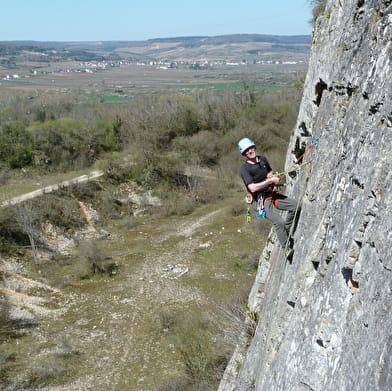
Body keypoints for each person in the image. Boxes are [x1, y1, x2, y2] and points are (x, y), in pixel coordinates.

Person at [238, 137, 298, 254]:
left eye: (251, 148)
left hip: (271, 194)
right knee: (278, 222)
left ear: (254, 147)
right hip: (260, 200)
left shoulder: (263, 160)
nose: (250, 151)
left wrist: (275, 177)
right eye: (247, 151)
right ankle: (286, 248)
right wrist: (269, 182)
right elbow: (252, 187)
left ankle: (286, 229)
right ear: (244, 154)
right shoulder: (244, 169)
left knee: (295, 206)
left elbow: (269, 173)